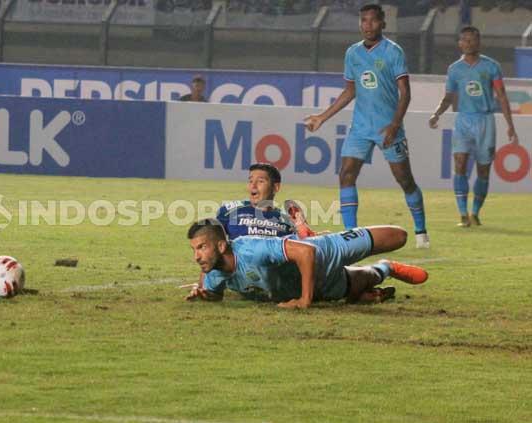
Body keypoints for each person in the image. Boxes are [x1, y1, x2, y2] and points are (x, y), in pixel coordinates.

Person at [303, 3, 429, 249]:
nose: (367, 25)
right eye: (363, 20)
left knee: (405, 180)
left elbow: (405, 93)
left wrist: (395, 124)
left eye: (372, 20)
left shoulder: (393, 52)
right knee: (346, 174)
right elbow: (350, 91)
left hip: (388, 128)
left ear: (383, 23)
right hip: (360, 127)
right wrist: (322, 116)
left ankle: (421, 231)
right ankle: (351, 236)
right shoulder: (353, 53)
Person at [186, 219, 428, 308]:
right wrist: (205, 296)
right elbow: (214, 294)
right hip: (317, 284)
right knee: (366, 280)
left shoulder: (252, 248)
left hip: (323, 252)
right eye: (194, 249)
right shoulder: (213, 275)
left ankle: (308, 231)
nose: (197, 256)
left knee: (398, 236)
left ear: (220, 246)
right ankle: (388, 267)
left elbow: (307, 253)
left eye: (201, 248)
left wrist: (305, 300)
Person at [428, 26, 518, 227]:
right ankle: (462, 214)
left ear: (479, 42)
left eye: (472, 40)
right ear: (460, 43)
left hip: (485, 121)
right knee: (459, 164)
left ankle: (475, 213)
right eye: (465, 40)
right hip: (463, 120)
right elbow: (448, 97)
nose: (468, 43)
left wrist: (510, 125)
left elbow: (502, 96)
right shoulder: (454, 69)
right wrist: (437, 113)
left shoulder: (491, 66)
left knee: (483, 170)